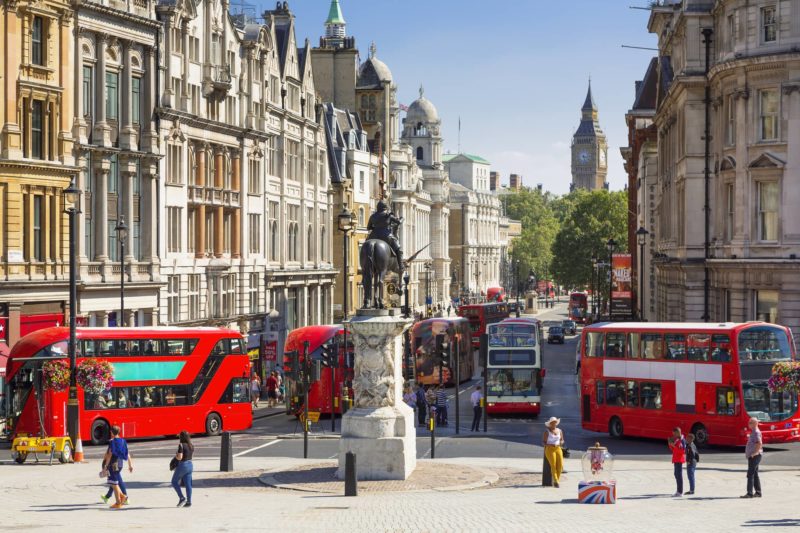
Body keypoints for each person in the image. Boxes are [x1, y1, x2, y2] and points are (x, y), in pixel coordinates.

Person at [102, 425, 133, 509]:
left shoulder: (112, 442)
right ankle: (122, 497)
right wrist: (130, 465)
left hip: (113, 464)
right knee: (114, 483)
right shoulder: (123, 441)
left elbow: (109, 455)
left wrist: (106, 466)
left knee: (114, 484)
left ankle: (119, 502)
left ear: (112, 432)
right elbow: (127, 453)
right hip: (120, 464)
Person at [366, 200, 404, 267]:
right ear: (385, 207)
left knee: (366, 245)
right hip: (386, 236)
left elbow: (368, 227)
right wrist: (402, 219)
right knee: (398, 249)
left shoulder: (372, 216)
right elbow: (398, 222)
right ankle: (401, 265)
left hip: (373, 236)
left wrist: (375, 228)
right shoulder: (388, 215)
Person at [172, 430, 194, 507]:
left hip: (183, 465)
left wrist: (176, 456)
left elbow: (180, 457)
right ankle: (189, 501)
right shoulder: (191, 445)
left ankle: (182, 498)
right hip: (190, 464)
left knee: (174, 481)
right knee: (188, 484)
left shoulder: (181, 445)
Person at [742, 417, 763, 498]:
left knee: (750, 474)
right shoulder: (754, 432)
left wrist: (754, 453)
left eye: (750, 423)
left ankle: (749, 493)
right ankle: (758, 492)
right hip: (754, 456)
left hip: (755, 456)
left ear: (754, 424)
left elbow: (759, 443)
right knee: (755, 474)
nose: (748, 424)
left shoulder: (756, 432)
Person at [542, 417, 564, 488]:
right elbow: (544, 442)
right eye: (552, 422)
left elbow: (562, 440)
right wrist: (550, 444)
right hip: (550, 449)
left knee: (560, 465)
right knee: (553, 465)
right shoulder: (546, 432)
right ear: (550, 424)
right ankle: (556, 481)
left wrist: (561, 443)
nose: (554, 424)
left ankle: (556, 480)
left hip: (558, 448)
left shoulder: (559, 430)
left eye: (555, 422)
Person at [668, 427, 686, 497]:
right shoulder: (677, 440)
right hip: (676, 459)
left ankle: (680, 491)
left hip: (679, 459)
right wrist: (670, 444)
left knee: (679, 475)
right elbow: (673, 449)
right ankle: (678, 490)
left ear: (678, 432)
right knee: (676, 474)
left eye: (674, 433)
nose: (673, 435)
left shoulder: (682, 440)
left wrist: (674, 446)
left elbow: (682, 451)